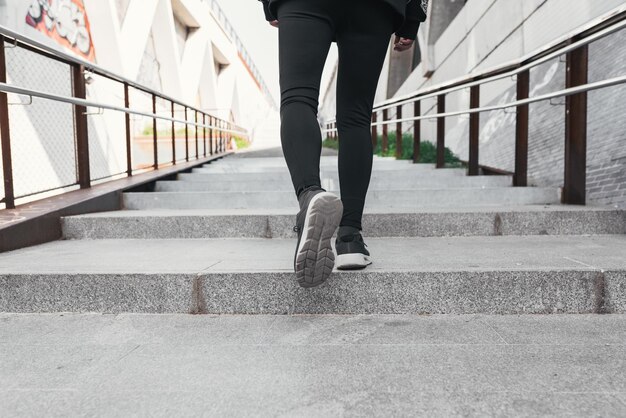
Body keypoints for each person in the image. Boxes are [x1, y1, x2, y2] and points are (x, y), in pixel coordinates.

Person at [258, 0, 428, 288]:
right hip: (376, 7)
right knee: (356, 118)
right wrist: (411, 18)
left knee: (298, 98)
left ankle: (310, 195)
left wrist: (268, 4)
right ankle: (350, 239)